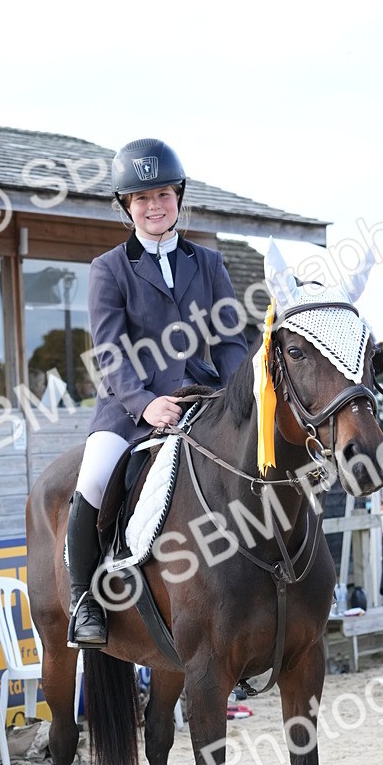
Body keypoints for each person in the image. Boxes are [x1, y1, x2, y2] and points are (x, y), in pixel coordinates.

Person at [67, 138, 248, 647]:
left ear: (178, 197)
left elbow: (230, 340)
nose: (154, 206)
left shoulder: (209, 263)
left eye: (163, 195)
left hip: (202, 400)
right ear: (127, 206)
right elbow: (109, 352)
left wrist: (238, 396)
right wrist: (145, 402)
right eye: (142, 198)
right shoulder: (109, 268)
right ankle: (86, 601)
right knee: (95, 479)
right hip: (131, 407)